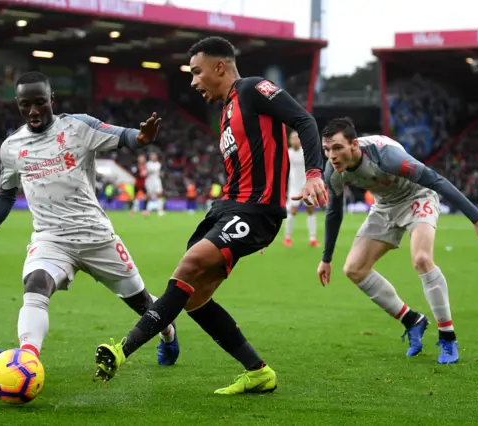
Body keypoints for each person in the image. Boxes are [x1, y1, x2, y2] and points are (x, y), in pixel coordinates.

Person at [93, 36, 327, 394]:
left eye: (197, 72)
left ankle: (121, 351)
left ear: (220, 67)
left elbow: (305, 121)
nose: (192, 81)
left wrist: (313, 173)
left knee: (189, 265)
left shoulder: (252, 89)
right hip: (227, 209)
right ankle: (258, 371)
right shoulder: (227, 111)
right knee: (196, 296)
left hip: (257, 210)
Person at [0, 71, 179, 366]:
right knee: (35, 284)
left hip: (95, 237)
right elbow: (6, 195)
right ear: (18, 105)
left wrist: (141, 138)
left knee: (142, 303)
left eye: (39, 102)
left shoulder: (77, 127)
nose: (33, 111)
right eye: (25, 105)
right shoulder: (11, 148)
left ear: (51, 100)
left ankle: (168, 334)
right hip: (51, 239)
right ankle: (27, 358)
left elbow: (125, 136)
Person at [316, 118, 478, 364]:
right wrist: (326, 258)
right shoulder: (333, 172)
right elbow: (334, 212)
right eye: (327, 150)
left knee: (422, 259)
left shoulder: (387, 157)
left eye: (338, 148)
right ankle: (412, 320)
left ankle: (447, 337)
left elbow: (436, 180)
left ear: (354, 145)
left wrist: (477, 218)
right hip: (385, 206)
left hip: (418, 196)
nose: (332, 156)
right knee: (354, 269)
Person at [284, 130, 320, 247]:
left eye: (297, 138)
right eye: (292, 138)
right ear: (290, 140)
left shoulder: (305, 153)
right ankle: (287, 237)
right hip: (293, 186)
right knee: (292, 211)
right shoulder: (287, 153)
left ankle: (313, 239)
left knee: (310, 210)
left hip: (306, 186)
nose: (295, 141)